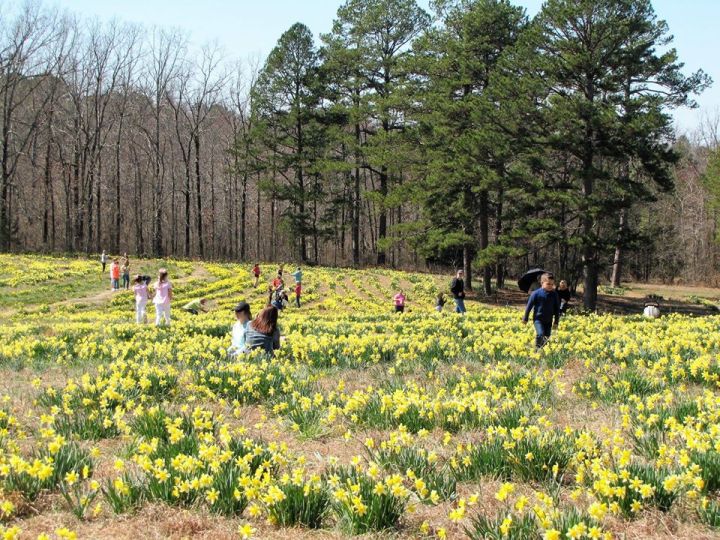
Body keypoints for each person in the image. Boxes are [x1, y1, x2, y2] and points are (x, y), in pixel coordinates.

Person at [522, 273, 560, 350]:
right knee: (540, 334)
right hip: (538, 319)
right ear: (542, 283)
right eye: (548, 284)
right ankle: (537, 350)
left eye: (552, 284)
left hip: (549, 320)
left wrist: (556, 321)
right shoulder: (536, 293)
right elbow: (529, 306)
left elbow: (557, 309)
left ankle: (544, 350)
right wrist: (525, 318)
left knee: (547, 336)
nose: (550, 286)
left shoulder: (554, 294)